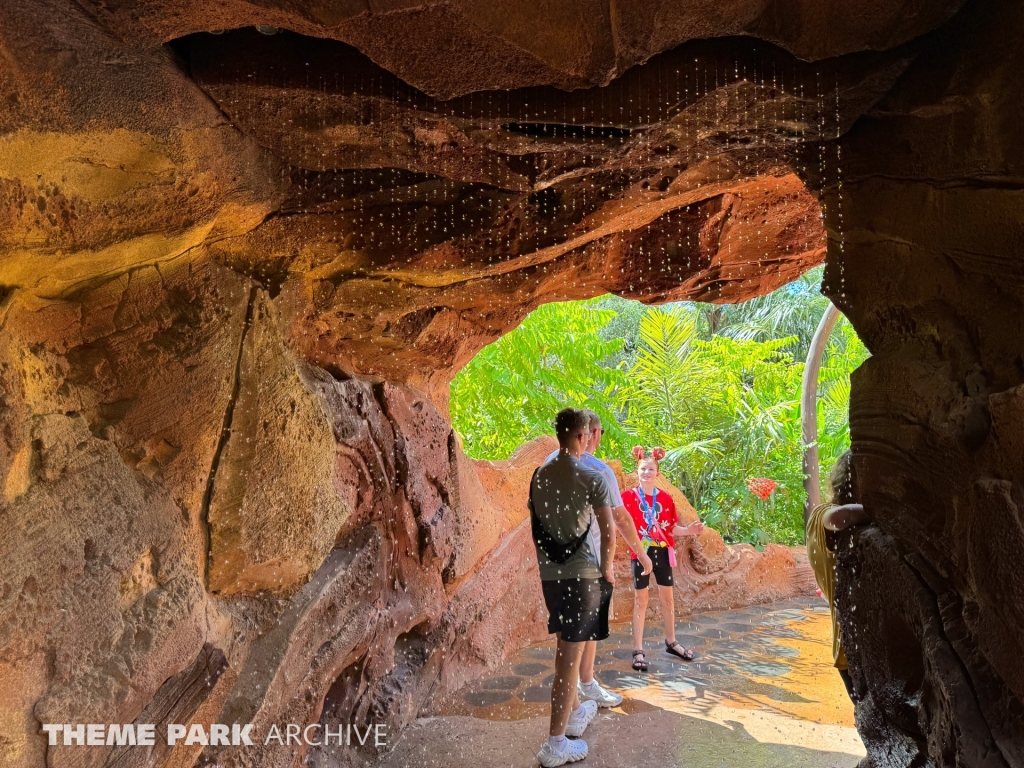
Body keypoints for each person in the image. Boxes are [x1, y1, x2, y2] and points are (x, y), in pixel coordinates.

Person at [543, 410, 653, 709]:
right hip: (586, 564)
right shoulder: (598, 471)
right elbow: (618, 521)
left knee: (565, 633)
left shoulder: (548, 463)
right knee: (586, 627)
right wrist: (640, 554)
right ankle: (582, 691)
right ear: (591, 434)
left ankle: (577, 694)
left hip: (553, 564)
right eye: (600, 431)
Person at [529, 408, 618, 767]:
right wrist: (608, 567)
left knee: (565, 649)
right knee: (569, 660)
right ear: (582, 437)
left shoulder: (539, 474)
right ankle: (555, 744)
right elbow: (609, 532)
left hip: (551, 576)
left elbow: (538, 523)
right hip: (582, 577)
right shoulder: (590, 475)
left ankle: (575, 711)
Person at [625, 446, 705, 672]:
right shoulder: (628, 497)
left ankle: (671, 641)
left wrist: (688, 530)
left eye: (651, 469)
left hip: (661, 551)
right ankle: (638, 649)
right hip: (641, 553)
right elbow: (621, 525)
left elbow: (671, 529)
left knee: (668, 599)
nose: (647, 472)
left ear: (657, 474)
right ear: (637, 471)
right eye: (643, 469)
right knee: (641, 600)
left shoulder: (666, 499)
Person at [805, 449, 871, 699]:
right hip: (853, 646)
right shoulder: (824, 514)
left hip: (849, 645)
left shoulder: (818, 517)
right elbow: (840, 517)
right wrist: (880, 510)